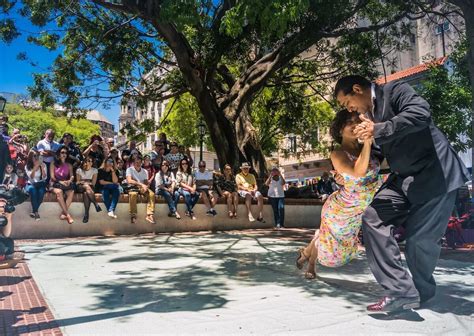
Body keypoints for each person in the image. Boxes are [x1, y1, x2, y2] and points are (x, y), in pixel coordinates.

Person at [334, 75, 470, 312]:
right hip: (403, 178)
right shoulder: (367, 117)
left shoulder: (394, 90)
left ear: (357, 89)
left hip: (435, 173)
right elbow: (375, 154)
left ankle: (421, 293)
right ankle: (400, 291)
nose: (350, 109)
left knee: (419, 240)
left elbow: (421, 114)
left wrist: (378, 128)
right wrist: (346, 171)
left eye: (347, 103)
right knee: (373, 218)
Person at [296, 110, 380, 280]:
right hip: (342, 208)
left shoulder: (370, 149)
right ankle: (311, 265)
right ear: (340, 129)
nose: (356, 124)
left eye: (359, 121)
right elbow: (358, 173)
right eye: (351, 122)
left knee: (328, 238)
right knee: (326, 238)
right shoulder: (338, 154)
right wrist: (367, 143)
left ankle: (305, 253)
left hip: (359, 210)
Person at [126, 156, 155, 224]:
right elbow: (129, 180)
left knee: (151, 194)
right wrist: (141, 184)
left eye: (139, 162)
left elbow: (146, 182)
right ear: (133, 163)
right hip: (133, 187)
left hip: (142, 187)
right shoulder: (129, 169)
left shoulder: (144, 171)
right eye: (136, 162)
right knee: (133, 195)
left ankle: (150, 215)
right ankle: (133, 215)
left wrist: (146, 187)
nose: (138, 164)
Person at [50, 146, 75, 224]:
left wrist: (69, 180)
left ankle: (63, 214)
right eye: (62, 152)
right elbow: (52, 177)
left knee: (71, 191)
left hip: (65, 183)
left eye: (66, 153)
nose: (64, 154)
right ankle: (68, 215)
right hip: (54, 183)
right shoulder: (53, 163)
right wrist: (60, 181)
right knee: (59, 192)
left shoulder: (69, 165)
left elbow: (71, 176)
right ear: (59, 153)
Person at [76, 156, 102, 223]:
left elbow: (93, 183)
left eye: (91, 161)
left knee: (86, 193)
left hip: (90, 188)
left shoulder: (94, 170)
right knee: (86, 186)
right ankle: (95, 203)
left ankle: (86, 214)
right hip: (80, 187)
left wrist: (84, 181)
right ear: (85, 162)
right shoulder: (79, 170)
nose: (90, 162)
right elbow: (78, 181)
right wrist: (86, 182)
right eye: (88, 161)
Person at [24, 150, 48, 220]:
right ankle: (36, 212)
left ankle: (34, 211)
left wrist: (42, 168)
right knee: (33, 190)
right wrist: (35, 167)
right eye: (34, 156)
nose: (36, 157)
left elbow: (44, 177)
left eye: (38, 156)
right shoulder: (27, 166)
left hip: (40, 184)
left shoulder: (43, 165)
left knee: (41, 192)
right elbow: (31, 177)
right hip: (31, 184)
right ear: (31, 157)